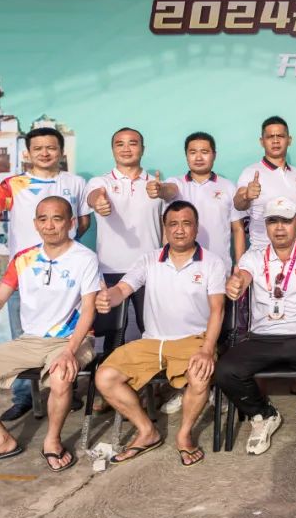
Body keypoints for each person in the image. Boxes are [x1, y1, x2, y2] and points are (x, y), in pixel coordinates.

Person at [0, 196, 100, 472]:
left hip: (71, 339)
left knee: (61, 376)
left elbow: (89, 309)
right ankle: (0, 440)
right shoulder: (23, 258)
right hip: (30, 341)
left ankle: (52, 441)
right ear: (35, 224)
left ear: (71, 223)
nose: (49, 226)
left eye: (57, 219)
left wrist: (69, 351)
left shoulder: (85, 258)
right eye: (43, 219)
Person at [0, 126, 91, 421]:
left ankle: (64, 390)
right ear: (28, 153)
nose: (45, 153)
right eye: (38, 148)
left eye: (51, 147)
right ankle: (24, 398)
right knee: (22, 338)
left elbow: (83, 222)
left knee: (68, 338)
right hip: (24, 275)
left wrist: (65, 250)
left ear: (61, 151)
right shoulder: (12, 184)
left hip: (67, 277)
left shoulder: (75, 183)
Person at [93, 200, 226, 467]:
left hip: (193, 340)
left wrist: (207, 349)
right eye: (173, 224)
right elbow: (123, 289)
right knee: (105, 378)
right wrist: (108, 297)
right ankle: (147, 431)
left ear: (196, 228)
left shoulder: (212, 263)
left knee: (199, 375)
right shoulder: (149, 259)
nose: (179, 230)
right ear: (165, 229)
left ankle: (184, 435)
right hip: (152, 342)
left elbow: (217, 310)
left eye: (186, 224)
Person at [214, 197, 296, 455]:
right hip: (263, 337)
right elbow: (242, 276)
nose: (279, 227)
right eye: (273, 221)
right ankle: (263, 415)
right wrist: (236, 283)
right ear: (265, 226)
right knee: (225, 371)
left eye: (285, 220)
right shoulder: (254, 256)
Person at [83, 127, 163, 337]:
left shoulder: (157, 186)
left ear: (142, 149)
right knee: (111, 337)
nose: (126, 149)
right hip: (110, 270)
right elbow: (93, 197)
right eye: (120, 144)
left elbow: (166, 226)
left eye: (132, 143)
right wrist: (98, 202)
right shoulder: (101, 182)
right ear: (112, 150)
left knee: (152, 333)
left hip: (150, 270)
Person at [159, 131, 247, 269]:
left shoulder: (228, 187)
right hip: (180, 267)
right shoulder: (175, 183)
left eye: (204, 152)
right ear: (186, 155)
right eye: (193, 152)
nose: (198, 157)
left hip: (220, 267)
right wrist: (159, 190)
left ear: (214, 155)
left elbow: (238, 229)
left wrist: (240, 266)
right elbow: (167, 191)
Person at [234, 116, 296, 251]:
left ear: (289, 140)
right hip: (261, 251)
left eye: (280, 136)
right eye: (270, 137)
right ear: (262, 141)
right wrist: (246, 196)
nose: (276, 141)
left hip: (293, 253)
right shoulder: (250, 172)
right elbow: (238, 204)